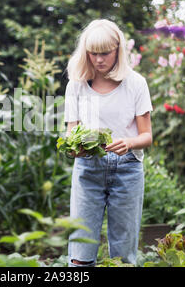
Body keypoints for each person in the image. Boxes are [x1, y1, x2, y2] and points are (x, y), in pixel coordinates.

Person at [63, 19, 153, 266]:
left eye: (105, 53)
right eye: (93, 54)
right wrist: (75, 148)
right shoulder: (77, 85)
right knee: (80, 254)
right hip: (87, 169)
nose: (99, 60)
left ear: (118, 51)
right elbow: (72, 132)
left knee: (123, 257)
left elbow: (147, 136)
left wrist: (129, 143)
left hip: (127, 170)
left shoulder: (135, 83)